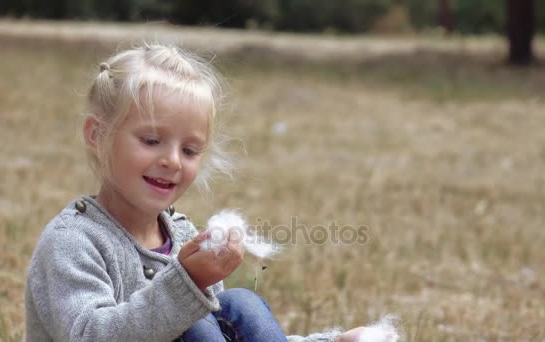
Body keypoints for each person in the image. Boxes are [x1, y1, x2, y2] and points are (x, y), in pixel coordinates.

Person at [25, 42, 363, 342]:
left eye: (189, 150)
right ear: (98, 136)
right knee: (195, 326)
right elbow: (90, 335)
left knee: (238, 304)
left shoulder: (183, 233)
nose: (172, 160)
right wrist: (186, 282)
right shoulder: (73, 242)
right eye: (151, 141)